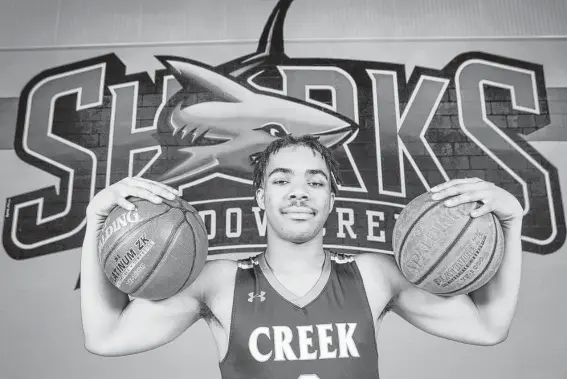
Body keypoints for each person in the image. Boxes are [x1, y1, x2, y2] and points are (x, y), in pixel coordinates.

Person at [81, 135, 524, 379]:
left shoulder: (374, 276)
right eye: (281, 180)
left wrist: (512, 222)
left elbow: (489, 328)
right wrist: (95, 217)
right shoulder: (216, 283)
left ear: (332, 200)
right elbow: (105, 338)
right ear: (260, 197)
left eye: (315, 181)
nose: (298, 191)